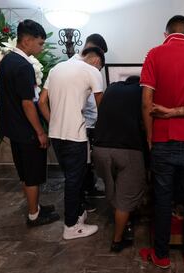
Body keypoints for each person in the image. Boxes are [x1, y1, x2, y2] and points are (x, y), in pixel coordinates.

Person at [139, 15, 184, 268]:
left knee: (162, 198)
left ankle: (160, 255)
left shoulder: (155, 54)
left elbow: (146, 102)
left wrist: (150, 135)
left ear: (165, 34)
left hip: (162, 138)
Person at [0, 19, 60, 227]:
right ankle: (34, 215)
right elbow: (28, 104)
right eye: (40, 43)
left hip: (13, 128)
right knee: (32, 174)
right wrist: (40, 132)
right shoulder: (24, 66)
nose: (42, 47)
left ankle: (36, 206)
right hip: (27, 130)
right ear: (26, 40)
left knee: (25, 172)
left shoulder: (7, 61)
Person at [38, 47, 104, 240]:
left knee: (70, 178)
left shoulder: (56, 69)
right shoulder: (91, 71)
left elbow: (42, 102)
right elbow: (103, 106)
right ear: (96, 61)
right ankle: (71, 226)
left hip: (56, 135)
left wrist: (55, 122)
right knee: (74, 181)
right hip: (75, 135)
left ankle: (76, 215)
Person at [92, 75, 146, 253]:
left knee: (112, 187)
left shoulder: (112, 89)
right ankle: (117, 239)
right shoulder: (142, 92)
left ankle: (121, 215)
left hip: (99, 149)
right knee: (125, 197)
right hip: (127, 150)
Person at [73, 34, 109, 213]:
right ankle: (83, 198)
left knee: (88, 162)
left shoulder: (86, 68)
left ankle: (89, 189)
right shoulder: (80, 69)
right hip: (84, 124)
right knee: (83, 164)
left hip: (91, 122)